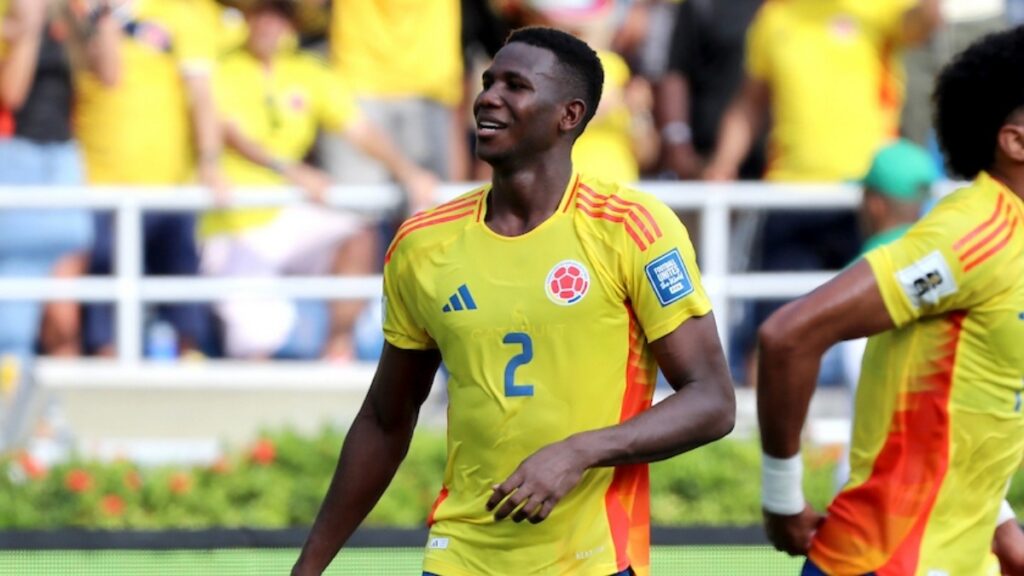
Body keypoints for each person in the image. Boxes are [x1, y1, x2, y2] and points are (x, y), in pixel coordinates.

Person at [292, 27, 736, 576]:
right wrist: (308, 567)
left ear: (568, 115)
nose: (489, 97)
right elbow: (386, 420)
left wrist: (580, 451)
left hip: (594, 560)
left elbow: (713, 401)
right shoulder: (422, 244)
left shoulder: (632, 228)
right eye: (488, 82)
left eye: (516, 85)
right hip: (459, 554)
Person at [756, 26, 1024, 576]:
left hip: (966, 560)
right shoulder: (974, 234)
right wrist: (783, 498)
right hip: (885, 561)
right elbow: (790, 334)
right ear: (1016, 142)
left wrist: (1002, 529)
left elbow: (965, 404)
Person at [200, 0, 436, 361]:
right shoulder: (222, 67)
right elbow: (230, 132)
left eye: (280, 15)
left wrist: (408, 172)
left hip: (283, 216)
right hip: (233, 222)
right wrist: (291, 171)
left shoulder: (306, 72)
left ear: (292, 25)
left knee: (358, 232)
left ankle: (337, 348)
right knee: (251, 348)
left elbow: (358, 128)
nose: (269, 24)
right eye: (262, 13)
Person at [75, 0, 225, 357]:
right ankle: (108, 392)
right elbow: (104, 76)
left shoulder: (182, 12)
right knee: (105, 310)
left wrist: (210, 160)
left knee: (181, 299)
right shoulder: (75, 10)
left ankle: (189, 381)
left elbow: (201, 94)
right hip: (97, 184)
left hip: (167, 184)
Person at [0, 0, 116, 358]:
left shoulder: (73, 17)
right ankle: (11, 406)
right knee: (13, 318)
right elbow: (11, 95)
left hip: (63, 162)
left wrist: (105, 16)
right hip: (15, 158)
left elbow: (111, 76)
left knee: (63, 315)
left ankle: (59, 409)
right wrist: (30, 27)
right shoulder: (12, 16)